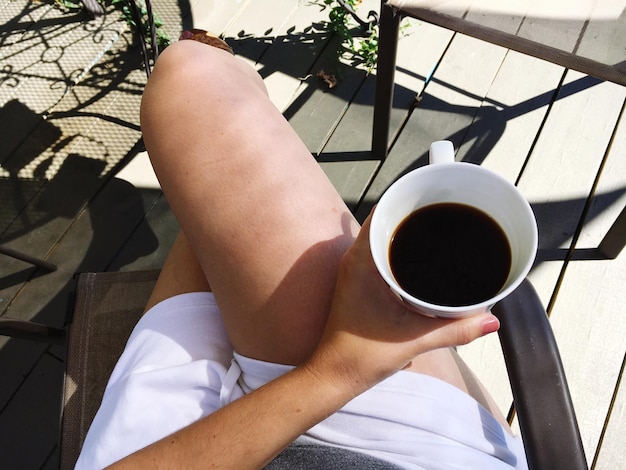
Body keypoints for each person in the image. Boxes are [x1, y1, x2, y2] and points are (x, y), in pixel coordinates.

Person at [75, 32, 528, 469]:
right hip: (414, 445)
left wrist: (336, 373)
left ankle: (239, 86)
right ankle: (240, 93)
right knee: (208, 133)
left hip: (196, 438)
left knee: (189, 76)